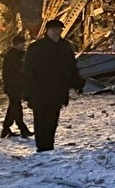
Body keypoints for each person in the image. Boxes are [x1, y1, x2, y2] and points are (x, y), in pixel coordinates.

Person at [22, 20, 84, 152]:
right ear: (47, 31)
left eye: (59, 29)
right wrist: (27, 91)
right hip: (40, 90)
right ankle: (42, 146)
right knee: (41, 119)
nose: (57, 32)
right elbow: (27, 70)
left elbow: (72, 67)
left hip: (58, 90)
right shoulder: (37, 47)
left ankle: (49, 145)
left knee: (53, 119)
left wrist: (77, 83)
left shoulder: (65, 46)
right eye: (54, 29)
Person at [1, 35, 34, 138]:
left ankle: (6, 128)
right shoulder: (12, 56)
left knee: (13, 107)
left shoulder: (15, 55)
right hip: (13, 86)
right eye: (22, 44)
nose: (23, 45)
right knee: (16, 108)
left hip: (13, 86)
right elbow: (17, 72)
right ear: (17, 44)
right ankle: (22, 129)